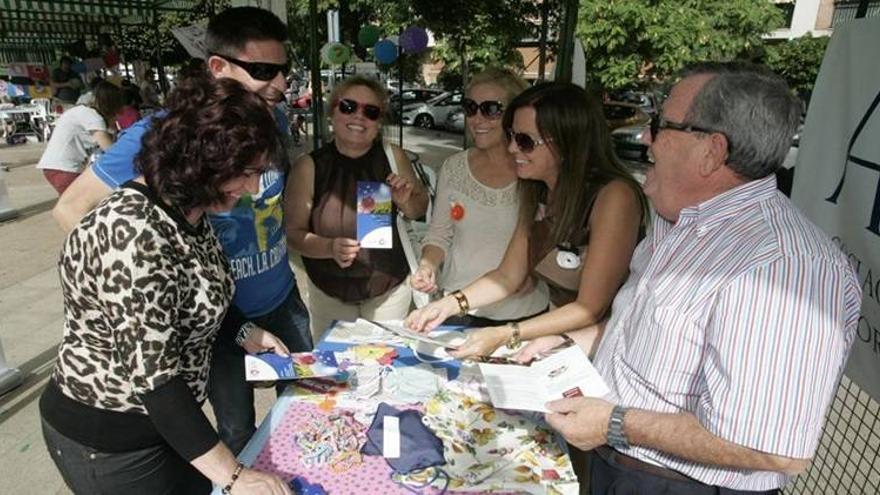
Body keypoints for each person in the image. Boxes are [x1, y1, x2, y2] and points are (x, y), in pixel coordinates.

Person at [532, 63, 861, 494]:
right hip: (620, 464)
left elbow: (771, 446)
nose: (646, 138)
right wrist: (572, 342)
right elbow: (649, 329)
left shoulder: (784, 268)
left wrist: (613, 423)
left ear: (712, 151)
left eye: (660, 124)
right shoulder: (680, 222)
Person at [50, 6, 313, 456]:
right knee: (238, 436)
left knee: (310, 407)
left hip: (282, 297)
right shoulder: (164, 133)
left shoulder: (273, 119)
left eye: (284, 70)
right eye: (264, 70)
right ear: (217, 67)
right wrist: (153, 285)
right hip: (221, 320)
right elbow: (72, 209)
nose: (281, 84)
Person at [39, 76, 291, 495]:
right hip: (111, 439)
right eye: (245, 174)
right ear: (202, 161)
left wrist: (245, 331)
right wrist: (234, 476)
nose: (250, 189)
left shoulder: (189, 206)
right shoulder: (133, 234)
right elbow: (156, 380)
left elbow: (200, 290)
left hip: (167, 426)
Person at [406, 81, 647, 360]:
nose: (510, 148)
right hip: (554, 340)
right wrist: (449, 304)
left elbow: (589, 308)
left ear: (567, 142)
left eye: (525, 141)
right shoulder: (537, 190)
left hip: (604, 350)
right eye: (511, 136)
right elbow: (508, 275)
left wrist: (505, 333)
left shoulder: (614, 196)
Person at [285, 75, 429, 338]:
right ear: (333, 111)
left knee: (385, 365)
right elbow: (293, 235)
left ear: (379, 123)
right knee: (336, 373)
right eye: (349, 107)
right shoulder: (309, 166)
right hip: (329, 293)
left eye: (371, 112)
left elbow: (418, 210)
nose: (359, 117)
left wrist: (406, 201)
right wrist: (327, 247)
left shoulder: (392, 156)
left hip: (388, 291)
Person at [410, 67, 549, 325]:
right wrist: (428, 265)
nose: (477, 118)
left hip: (522, 313)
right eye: (470, 107)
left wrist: (534, 272)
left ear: (514, 115)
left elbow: (555, 238)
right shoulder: (453, 167)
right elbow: (439, 233)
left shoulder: (535, 169)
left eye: (491, 109)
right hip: (459, 311)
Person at [36, 81, 123, 194]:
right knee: (82, 204)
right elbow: (110, 150)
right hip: (65, 169)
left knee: (74, 203)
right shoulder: (92, 116)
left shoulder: (83, 111)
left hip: (56, 167)